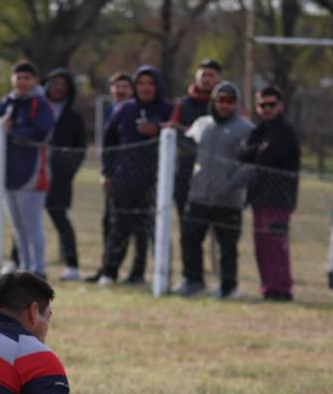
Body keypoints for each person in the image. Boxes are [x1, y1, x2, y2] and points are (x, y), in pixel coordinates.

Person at [96, 65, 173, 286]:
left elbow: (180, 137)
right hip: (124, 179)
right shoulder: (124, 110)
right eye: (141, 83)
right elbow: (109, 143)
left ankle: (148, 274)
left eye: (150, 83)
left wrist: (158, 130)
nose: (146, 88)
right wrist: (107, 173)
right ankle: (109, 272)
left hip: (155, 182)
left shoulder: (168, 110)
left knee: (149, 230)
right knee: (118, 227)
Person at [176, 82, 253, 298]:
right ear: (214, 102)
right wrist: (174, 134)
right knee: (190, 238)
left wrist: (229, 184)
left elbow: (251, 166)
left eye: (230, 101)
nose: (225, 105)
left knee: (227, 247)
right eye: (221, 100)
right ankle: (193, 280)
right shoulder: (201, 124)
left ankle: (229, 287)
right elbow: (187, 148)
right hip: (198, 195)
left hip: (228, 199)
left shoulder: (246, 129)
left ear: (236, 104)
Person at [0, 61, 55, 277]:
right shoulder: (8, 101)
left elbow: (41, 131)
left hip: (32, 174)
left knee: (32, 225)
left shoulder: (40, 103)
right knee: (17, 227)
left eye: (27, 78)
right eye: (19, 77)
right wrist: (1, 125)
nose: (22, 82)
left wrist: (13, 129)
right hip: (8, 174)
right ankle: (25, 268)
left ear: (35, 80)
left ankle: (39, 269)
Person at [238, 86, 301, 301]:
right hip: (260, 197)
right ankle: (268, 287)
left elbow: (267, 156)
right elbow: (244, 153)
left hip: (279, 199)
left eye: (271, 105)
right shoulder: (260, 129)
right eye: (263, 105)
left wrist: (254, 151)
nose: (267, 109)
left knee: (276, 245)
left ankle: (281, 289)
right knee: (262, 246)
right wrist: (255, 150)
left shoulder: (285, 130)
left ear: (280, 106)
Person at [87, 72, 135, 283]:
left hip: (132, 177)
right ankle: (106, 267)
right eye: (117, 86)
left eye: (125, 86)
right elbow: (109, 146)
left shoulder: (134, 110)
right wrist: (106, 172)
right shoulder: (111, 110)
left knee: (128, 226)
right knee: (108, 222)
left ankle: (126, 270)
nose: (120, 90)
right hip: (113, 176)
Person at [42, 68, 87, 281]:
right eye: (54, 83)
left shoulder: (74, 117)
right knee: (27, 219)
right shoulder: (37, 110)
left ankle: (72, 265)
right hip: (34, 172)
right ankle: (18, 259)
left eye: (63, 85)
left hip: (59, 176)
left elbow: (81, 148)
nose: (58, 88)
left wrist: (67, 171)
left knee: (59, 217)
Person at [170, 60, 223, 222]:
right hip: (187, 171)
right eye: (203, 75)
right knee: (188, 224)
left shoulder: (227, 102)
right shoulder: (183, 104)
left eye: (211, 75)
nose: (207, 79)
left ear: (219, 78)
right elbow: (172, 129)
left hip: (218, 173)